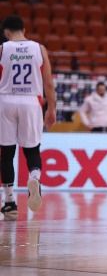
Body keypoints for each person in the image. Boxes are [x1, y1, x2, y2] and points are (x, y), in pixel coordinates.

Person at [0, 15, 56, 220]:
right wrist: (51, 109)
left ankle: (9, 203)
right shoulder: (39, 49)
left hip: (6, 100)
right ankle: (34, 177)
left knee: (7, 153)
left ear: (6, 32)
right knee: (32, 149)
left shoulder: (2, 49)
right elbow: (48, 83)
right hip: (31, 101)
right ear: (24, 30)